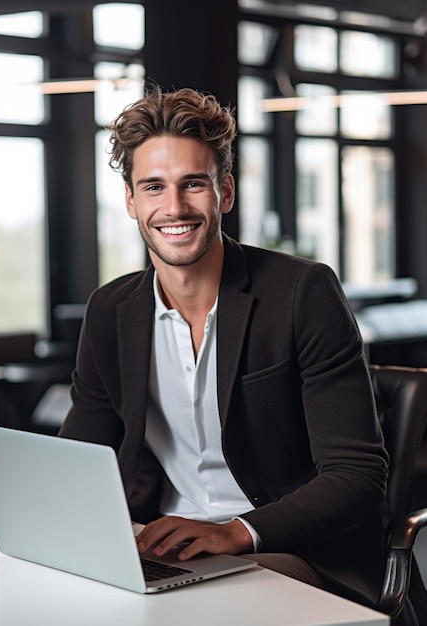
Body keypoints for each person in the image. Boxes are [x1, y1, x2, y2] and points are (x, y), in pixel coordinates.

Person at [59, 85, 390, 611]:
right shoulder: (109, 311)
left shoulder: (302, 293)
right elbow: (77, 460)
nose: (174, 207)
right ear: (130, 201)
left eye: (193, 184)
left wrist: (236, 532)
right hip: (163, 544)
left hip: (288, 548)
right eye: (152, 187)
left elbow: (357, 474)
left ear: (225, 192)